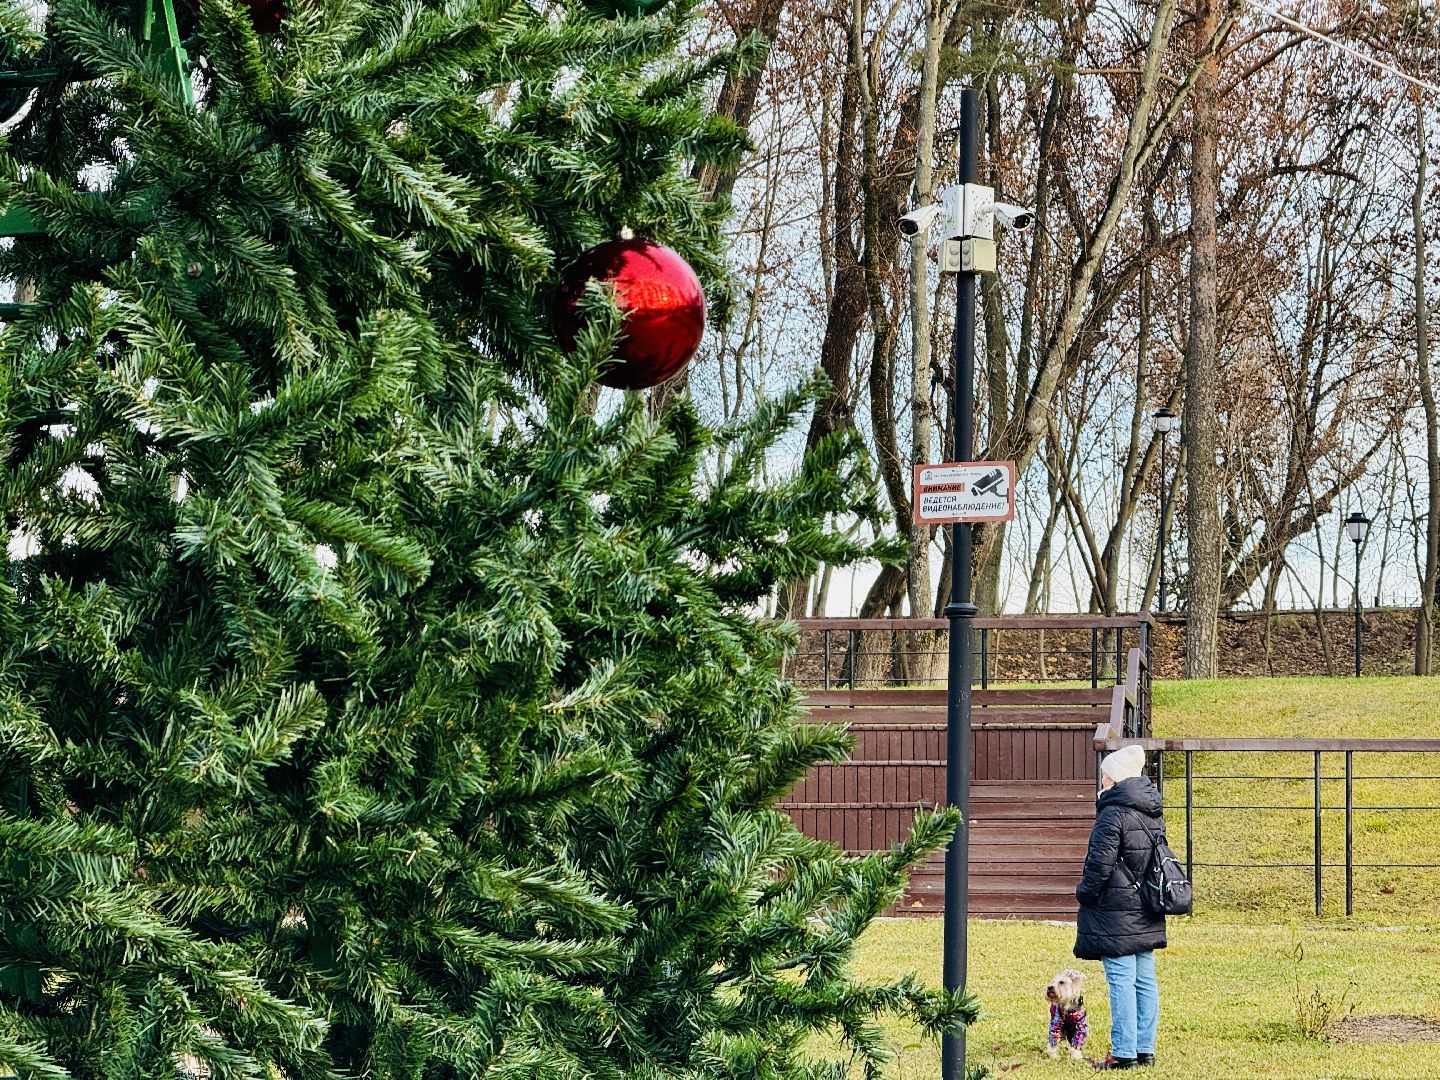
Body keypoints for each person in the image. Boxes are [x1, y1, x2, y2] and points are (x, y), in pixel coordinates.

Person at [1074, 743, 1165, 1070]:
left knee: (1122, 981)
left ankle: (1123, 1052)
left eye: (1105, 775)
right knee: (1144, 979)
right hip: (1146, 904)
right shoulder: (1150, 810)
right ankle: (1145, 1049)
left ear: (1115, 779)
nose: (1102, 781)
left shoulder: (1112, 813)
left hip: (1115, 910)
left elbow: (1099, 865)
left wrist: (1084, 893)